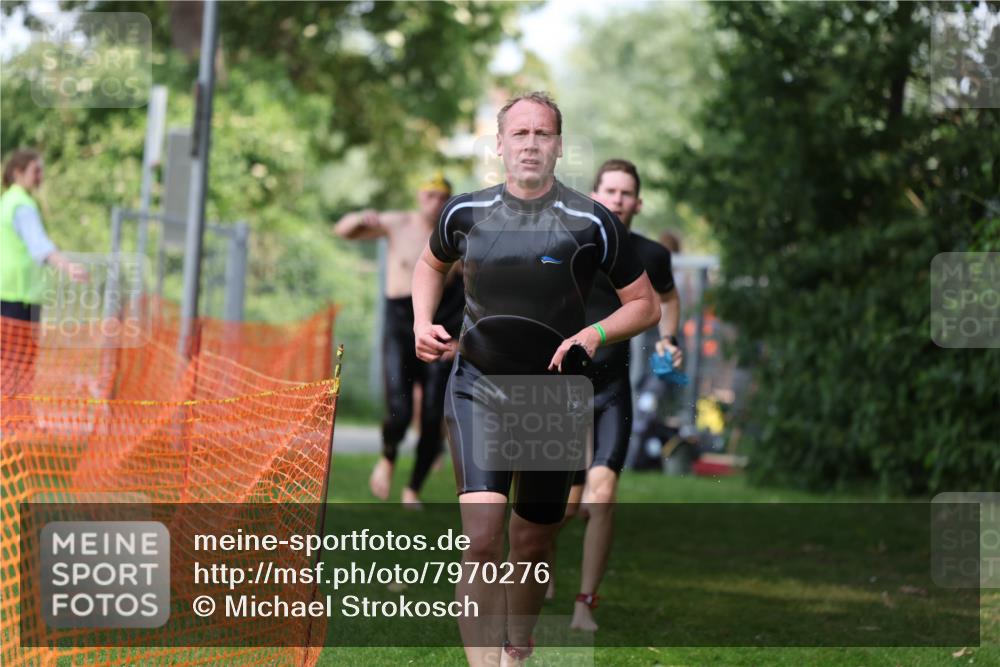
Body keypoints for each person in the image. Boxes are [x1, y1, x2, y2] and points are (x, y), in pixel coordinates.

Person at [412, 93, 660, 666]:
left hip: (554, 396)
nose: (530, 143)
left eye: (542, 134)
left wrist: (591, 336)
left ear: (559, 146)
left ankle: (517, 650)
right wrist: (424, 323)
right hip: (478, 386)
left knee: (532, 542)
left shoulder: (591, 220)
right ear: (499, 144)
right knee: (480, 539)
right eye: (519, 133)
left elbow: (644, 305)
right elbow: (431, 264)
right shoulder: (464, 213)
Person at [553, 159, 682, 632]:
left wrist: (668, 340)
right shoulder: (570, 245)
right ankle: (535, 556)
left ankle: (584, 603)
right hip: (562, 391)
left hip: (611, 390)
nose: (618, 199)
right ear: (595, 194)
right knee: (563, 506)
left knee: (602, 497)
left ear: (638, 202)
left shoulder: (651, 255)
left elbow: (667, 300)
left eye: (627, 193)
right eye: (610, 189)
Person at [333, 172, 464, 507]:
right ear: (419, 196)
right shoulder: (398, 224)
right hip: (400, 326)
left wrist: (461, 340)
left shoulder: (456, 237)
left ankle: (413, 490)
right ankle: (388, 457)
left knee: (435, 415)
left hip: (438, 327)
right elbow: (344, 230)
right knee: (400, 411)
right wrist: (361, 216)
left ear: (448, 199)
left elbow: (475, 291)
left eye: (441, 197)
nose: (434, 203)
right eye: (429, 195)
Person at [1, 149, 87, 396]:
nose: (40, 177)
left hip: (8, 293)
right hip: (19, 297)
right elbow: (39, 246)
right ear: (18, 172)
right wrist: (68, 266)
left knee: (8, 363)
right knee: (19, 365)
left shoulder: (7, 200)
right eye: (36, 171)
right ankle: (14, 422)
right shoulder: (22, 205)